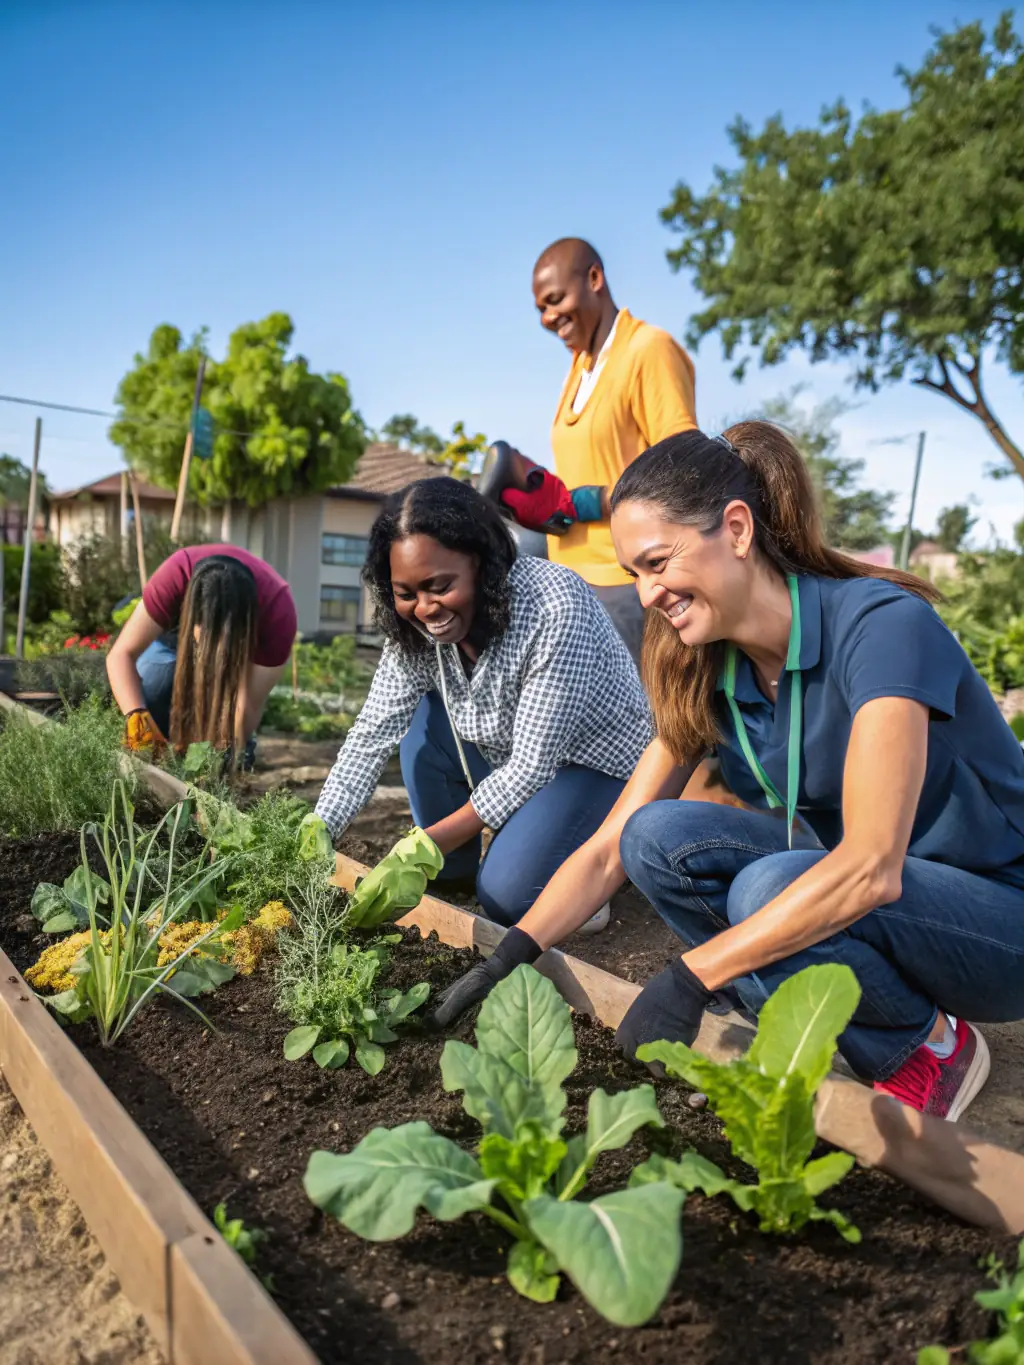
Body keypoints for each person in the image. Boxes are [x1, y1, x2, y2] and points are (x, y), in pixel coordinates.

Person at [431, 424, 1024, 1123]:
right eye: (634, 575)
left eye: (657, 562)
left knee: (769, 887)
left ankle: (927, 1048)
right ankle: (787, 987)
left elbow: (870, 867)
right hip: (888, 905)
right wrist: (514, 952)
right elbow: (608, 846)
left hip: (998, 919)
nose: (647, 594)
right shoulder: (713, 665)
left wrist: (695, 973)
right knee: (655, 835)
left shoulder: (881, 626)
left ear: (736, 529)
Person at [314, 476, 651, 933]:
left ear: (479, 562)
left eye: (439, 586)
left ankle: (595, 874)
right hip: (509, 753)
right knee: (421, 727)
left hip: (593, 766)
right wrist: (322, 826)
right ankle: (454, 868)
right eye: (406, 593)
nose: (426, 609)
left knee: (510, 898)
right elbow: (372, 731)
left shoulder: (553, 606)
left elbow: (533, 766)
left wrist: (421, 844)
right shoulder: (415, 628)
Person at [498, 237, 697, 666]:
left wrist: (592, 502)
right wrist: (550, 502)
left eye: (555, 300)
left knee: (638, 728)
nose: (548, 317)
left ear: (594, 279)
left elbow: (684, 470)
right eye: (540, 310)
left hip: (627, 583)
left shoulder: (648, 350)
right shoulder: (581, 368)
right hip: (573, 584)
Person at [106, 544, 297, 764]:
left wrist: (216, 758)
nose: (213, 649)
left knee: (232, 749)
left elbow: (247, 705)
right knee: (155, 679)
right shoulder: (177, 574)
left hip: (241, 652)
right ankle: (161, 737)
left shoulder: (277, 615)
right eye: (208, 636)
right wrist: (138, 717)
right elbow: (121, 655)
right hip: (172, 642)